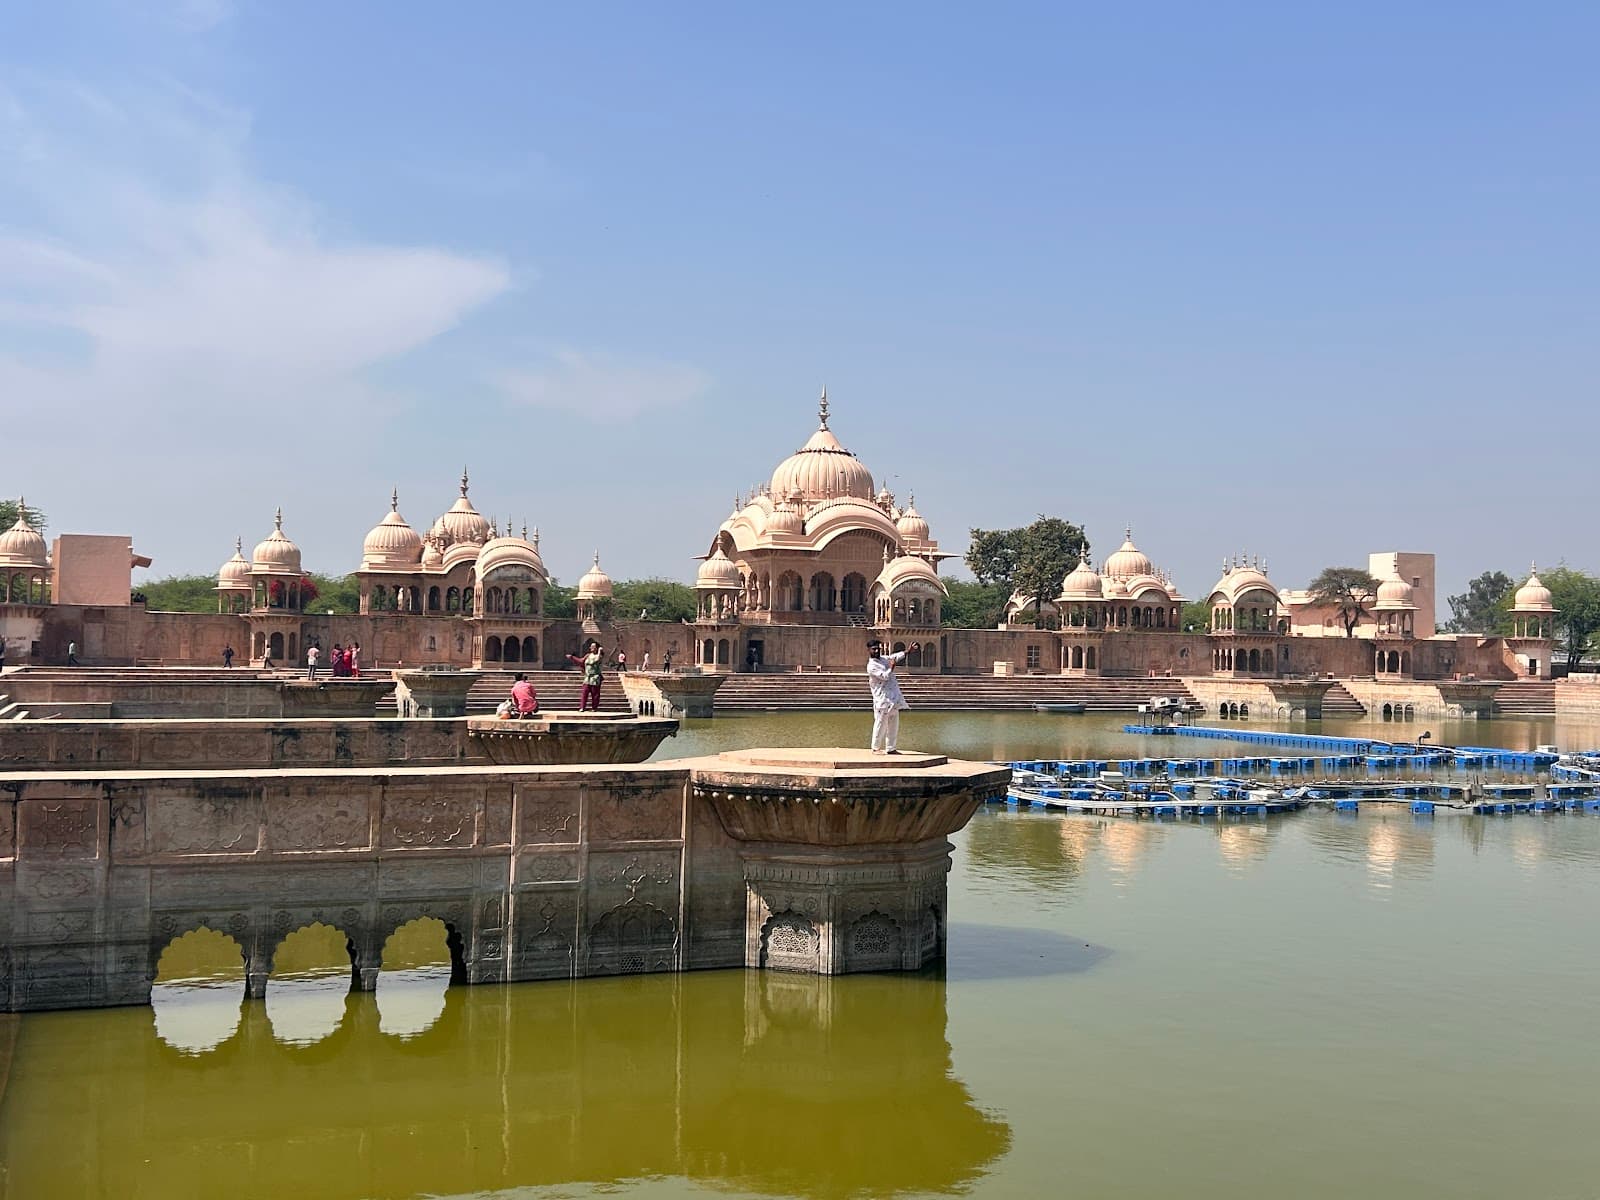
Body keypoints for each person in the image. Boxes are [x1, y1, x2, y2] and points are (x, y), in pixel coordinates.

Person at [866, 638, 918, 755]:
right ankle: (875, 748)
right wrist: (892, 667)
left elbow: (895, 657)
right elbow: (884, 676)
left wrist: (907, 651)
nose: (877, 651)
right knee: (880, 723)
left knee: (893, 724)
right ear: (869, 650)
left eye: (878, 648)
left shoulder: (884, 659)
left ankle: (891, 748)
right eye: (874, 649)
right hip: (882, 699)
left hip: (893, 698)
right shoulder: (871, 666)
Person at [566, 640, 603, 711]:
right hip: (587, 677)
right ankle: (582, 707)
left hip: (595, 677)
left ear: (597, 648)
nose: (590, 647)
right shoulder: (588, 655)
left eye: (593, 646)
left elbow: (596, 660)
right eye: (591, 646)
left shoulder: (599, 656)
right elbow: (581, 661)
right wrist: (572, 657)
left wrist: (599, 651)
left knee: (595, 694)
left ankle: (594, 707)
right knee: (584, 692)